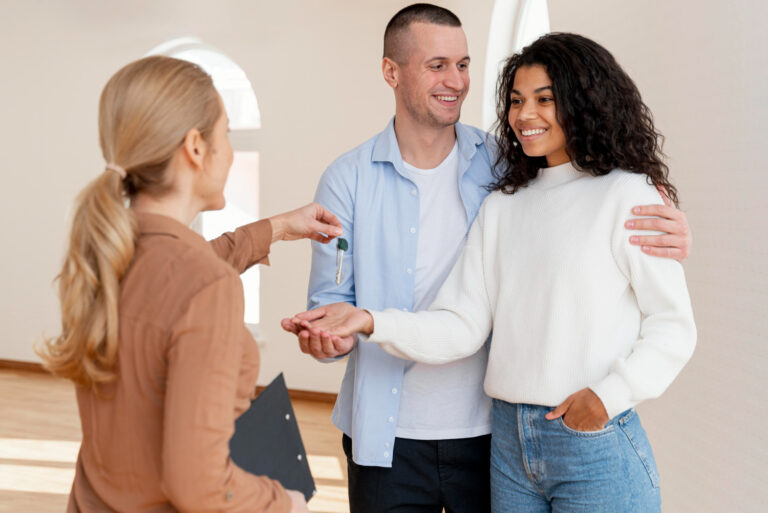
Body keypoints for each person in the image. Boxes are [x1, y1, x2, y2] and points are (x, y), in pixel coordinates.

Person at [282, 5, 692, 513]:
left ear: (582, 101)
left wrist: (608, 397)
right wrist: (365, 321)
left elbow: (671, 322)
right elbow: (462, 322)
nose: (525, 115)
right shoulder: (502, 197)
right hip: (487, 441)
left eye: (545, 99)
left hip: (561, 439)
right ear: (392, 71)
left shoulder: (587, 185)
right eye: (518, 100)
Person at [38, 55, 342, 513]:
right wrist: (285, 502)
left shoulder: (106, 254)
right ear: (196, 147)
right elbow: (199, 484)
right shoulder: (204, 285)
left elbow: (188, 270)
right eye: (226, 134)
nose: (231, 151)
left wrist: (279, 227)